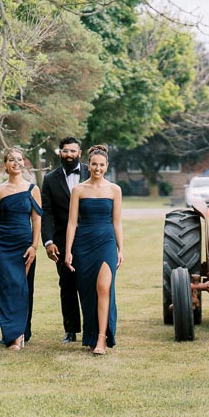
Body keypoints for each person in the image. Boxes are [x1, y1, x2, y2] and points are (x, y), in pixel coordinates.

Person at [0, 147, 42, 350]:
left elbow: (36, 218)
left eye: (19, 159)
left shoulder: (33, 189)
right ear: (5, 165)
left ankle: (19, 333)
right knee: (4, 289)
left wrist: (34, 245)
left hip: (24, 245)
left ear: (24, 162)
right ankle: (10, 333)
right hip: (1, 246)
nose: (16, 163)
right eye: (11, 160)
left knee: (20, 288)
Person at [65, 145, 123, 355]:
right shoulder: (78, 190)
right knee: (88, 292)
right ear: (88, 165)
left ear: (107, 166)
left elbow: (117, 222)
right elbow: (72, 223)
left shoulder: (114, 190)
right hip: (83, 244)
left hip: (106, 242)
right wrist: (68, 250)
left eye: (102, 165)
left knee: (104, 287)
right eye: (94, 164)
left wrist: (120, 249)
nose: (97, 168)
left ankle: (101, 338)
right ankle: (91, 334)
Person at [39, 136, 85, 342]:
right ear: (60, 153)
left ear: (79, 154)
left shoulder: (91, 172)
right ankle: (71, 330)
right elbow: (46, 213)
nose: (69, 155)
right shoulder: (49, 179)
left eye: (73, 151)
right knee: (67, 285)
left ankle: (93, 327)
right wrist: (48, 242)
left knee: (91, 284)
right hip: (61, 241)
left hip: (88, 238)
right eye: (65, 151)